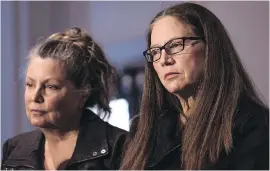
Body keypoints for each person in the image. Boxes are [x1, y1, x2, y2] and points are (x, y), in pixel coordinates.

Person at [120, 2, 269, 170]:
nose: (164, 60)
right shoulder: (142, 131)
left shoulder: (253, 124)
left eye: (175, 45)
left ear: (210, 47)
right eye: (155, 52)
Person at [1, 27, 126, 170]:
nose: (35, 97)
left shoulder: (122, 147)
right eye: (30, 84)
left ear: (83, 93)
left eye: (50, 87)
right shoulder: (15, 148)